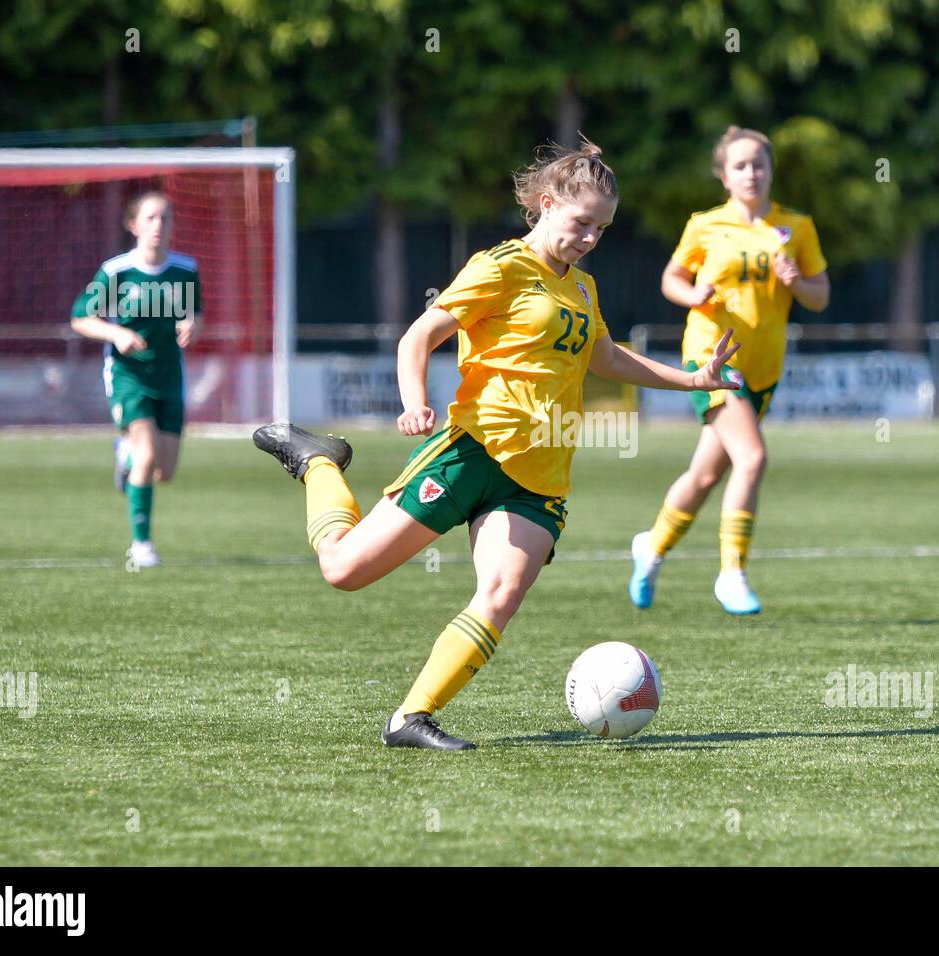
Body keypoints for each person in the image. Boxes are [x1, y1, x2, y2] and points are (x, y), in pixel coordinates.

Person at [253, 139, 740, 750]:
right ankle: (319, 461)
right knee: (343, 570)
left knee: (502, 593)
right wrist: (413, 403)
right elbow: (417, 337)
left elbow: (608, 358)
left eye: (602, 229)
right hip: (473, 451)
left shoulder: (583, 291)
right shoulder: (501, 267)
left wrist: (692, 378)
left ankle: (411, 718)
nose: (591, 237)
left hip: (541, 478)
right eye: (582, 222)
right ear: (545, 204)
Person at [628, 126, 830, 615]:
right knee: (753, 459)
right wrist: (691, 294)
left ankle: (651, 550)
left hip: (764, 370)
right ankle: (732, 573)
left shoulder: (795, 227)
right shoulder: (705, 225)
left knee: (702, 476)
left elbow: (820, 297)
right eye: (740, 166)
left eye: (759, 164)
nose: (751, 173)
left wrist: (797, 281)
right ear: (724, 175)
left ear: (771, 170)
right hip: (712, 358)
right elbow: (672, 278)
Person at [70, 191, 202, 568]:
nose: (158, 225)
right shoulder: (116, 272)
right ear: (133, 225)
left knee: (165, 471)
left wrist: (192, 326)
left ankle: (124, 454)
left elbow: (196, 315)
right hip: (128, 375)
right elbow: (81, 317)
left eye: (165, 218)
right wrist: (117, 335)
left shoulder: (185, 270)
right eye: (150, 218)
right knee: (146, 455)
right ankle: (141, 546)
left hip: (169, 376)